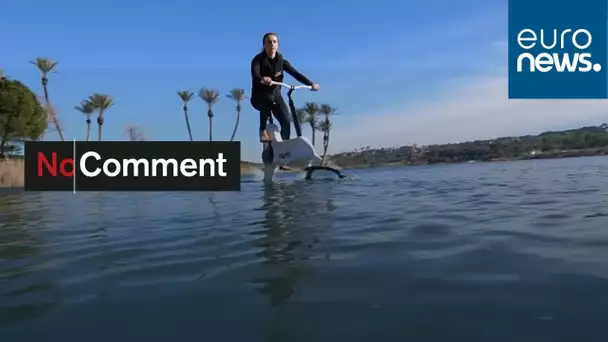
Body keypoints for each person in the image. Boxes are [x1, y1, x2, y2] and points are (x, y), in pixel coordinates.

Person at [250, 32, 320, 146]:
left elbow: (296, 74)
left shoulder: (282, 62)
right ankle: (262, 129)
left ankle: (283, 147)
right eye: (269, 42)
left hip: (276, 96)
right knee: (267, 98)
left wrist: (311, 84)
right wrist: (262, 79)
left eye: (274, 42)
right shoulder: (257, 60)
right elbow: (255, 74)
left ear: (277, 45)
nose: (272, 44)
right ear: (264, 45)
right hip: (259, 98)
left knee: (286, 121)